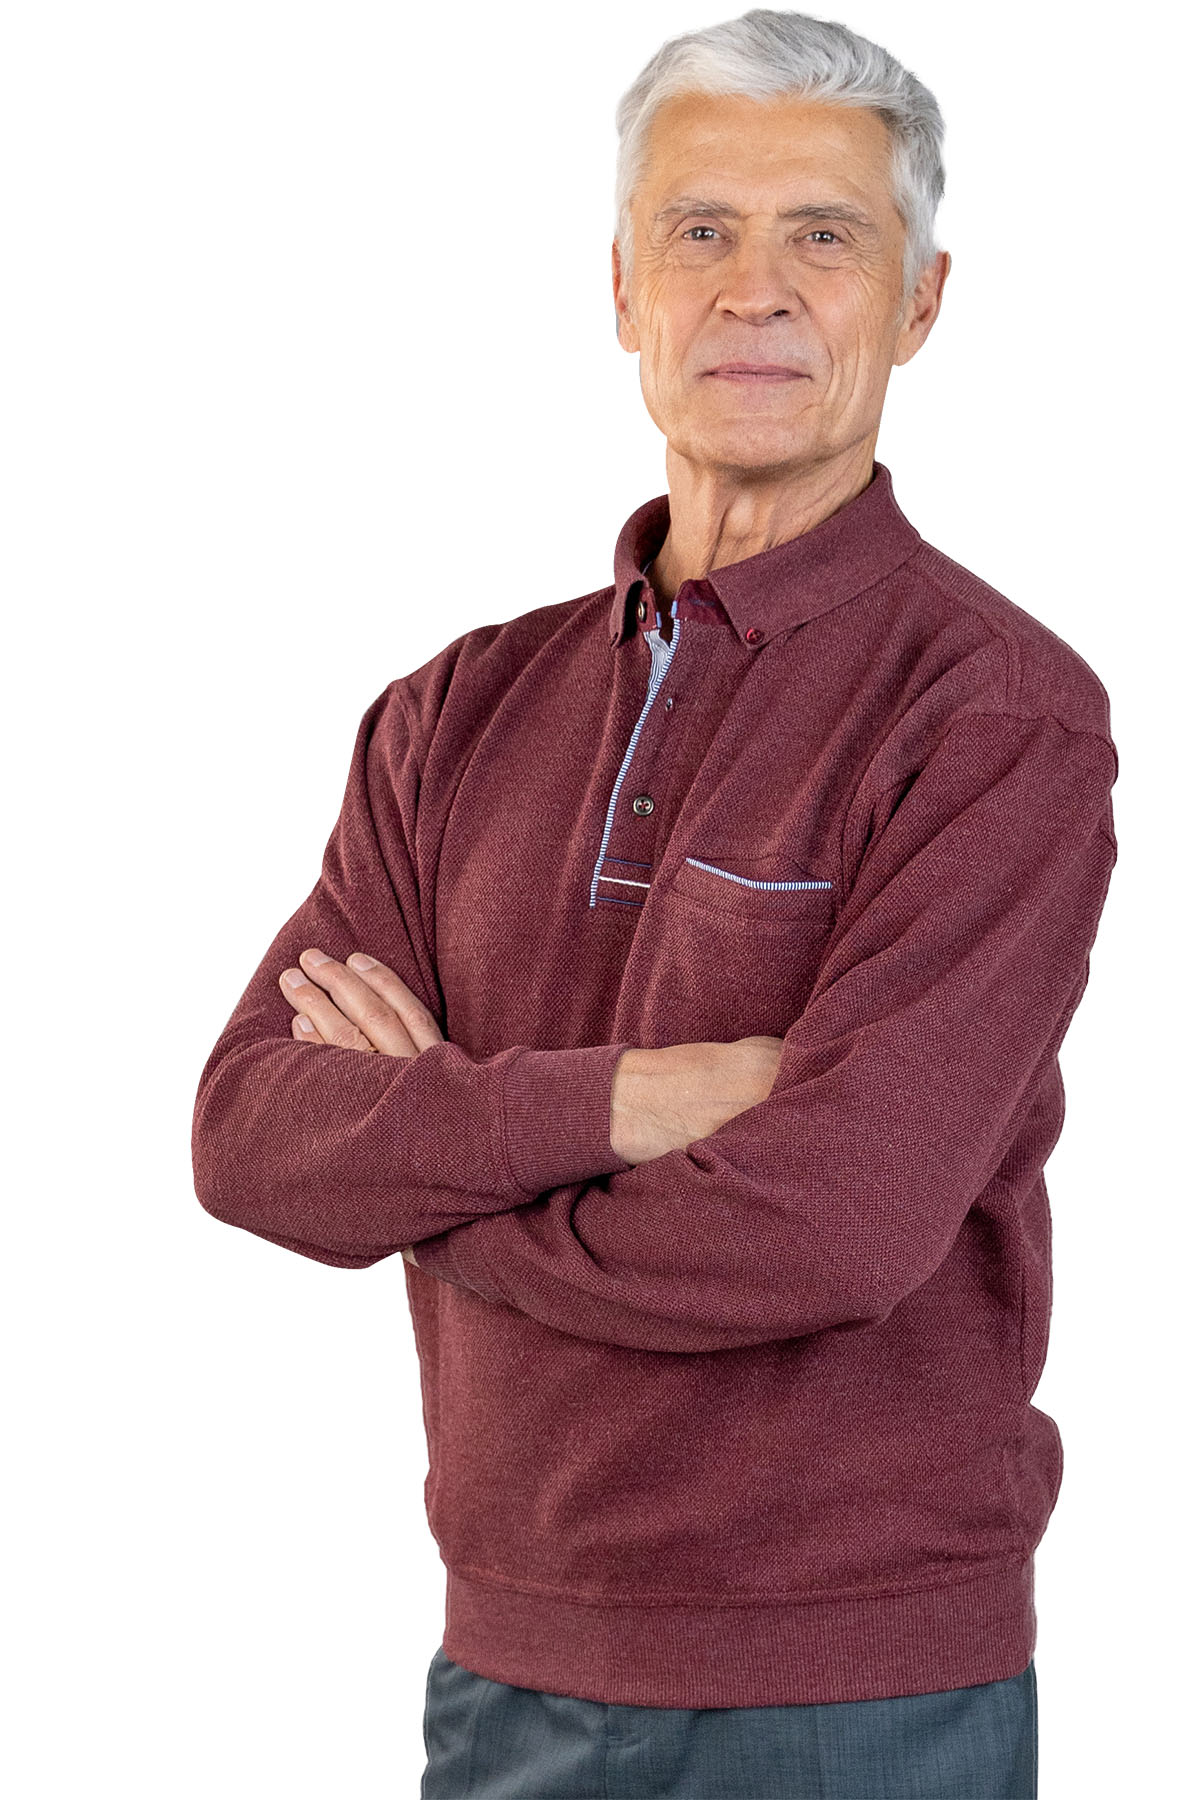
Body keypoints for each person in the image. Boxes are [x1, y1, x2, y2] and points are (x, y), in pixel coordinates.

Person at [192, 9, 1118, 1796]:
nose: (755, 288)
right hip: (505, 1663)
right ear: (624, 290)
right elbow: (249, 1139)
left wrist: (431, 1184)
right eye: (702, 230)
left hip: (857, 1695)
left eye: (825, 234)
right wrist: (631, 1102)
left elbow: (834, 1228)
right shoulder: (454, 712)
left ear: (921, 303)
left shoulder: (993, 717)